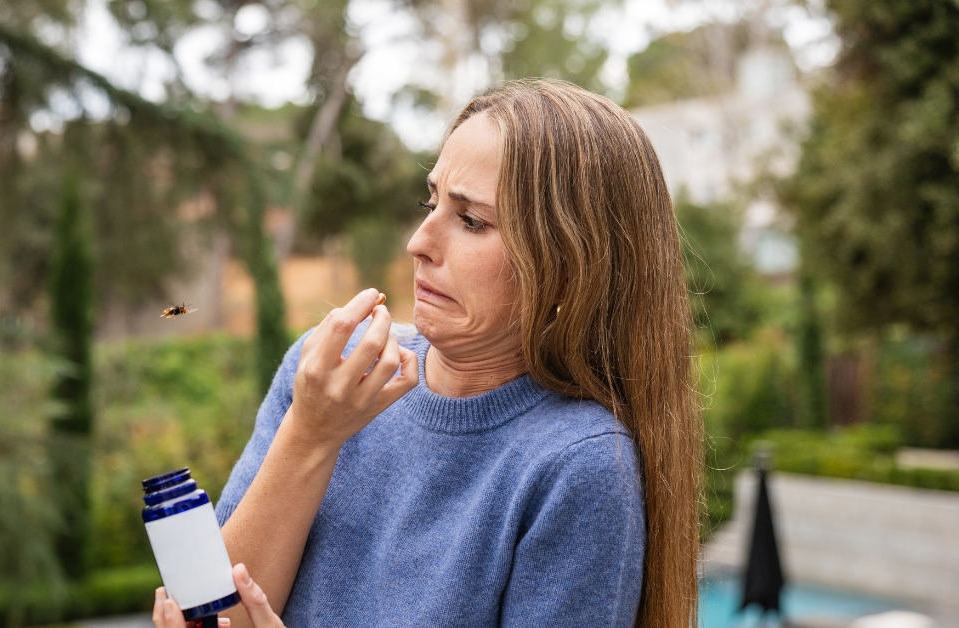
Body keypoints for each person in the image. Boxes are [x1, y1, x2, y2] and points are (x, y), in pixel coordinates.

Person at [155, 79, 701, 628]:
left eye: (470, 220)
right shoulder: (330, 375)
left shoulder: (577, 465)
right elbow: (216, 615)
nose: (418, 241)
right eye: (431, 201)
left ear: (569, 267)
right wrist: (310, 433)